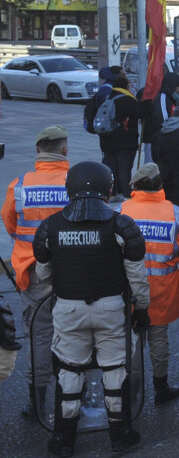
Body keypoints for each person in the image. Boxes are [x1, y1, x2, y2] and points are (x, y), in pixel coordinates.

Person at [33, 161, 151, 454]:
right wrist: (143, 309)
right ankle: (120, 433)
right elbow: (137, 276)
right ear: (107, 190)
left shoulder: (51, 227)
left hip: (68, 307)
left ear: (69, 188)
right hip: (111, 308)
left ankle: (63, 438)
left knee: (70, 372)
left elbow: (44, 276)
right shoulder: (120, 225)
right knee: (114, 370)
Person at [2, 126, 70, 419]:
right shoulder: (74, 183)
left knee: (39, 336)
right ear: (64, 150)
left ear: (38, 151)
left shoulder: (19, 185)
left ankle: (37, 399)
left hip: (32, 275)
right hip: (70, 273)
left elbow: (10, 224)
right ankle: (71, 396)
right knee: (73, 336)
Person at [120, 163, 179, 404]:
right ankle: (161, 387)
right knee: (159, 339)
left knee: (133, 340)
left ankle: (131, 395)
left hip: (130, 290)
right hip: (162, 290)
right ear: (160, 186)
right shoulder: (173, 212)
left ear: (135, 186)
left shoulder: (122, 210)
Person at [97, 73, 141, 200]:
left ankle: (112, 192)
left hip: (106, 139)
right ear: (126, 86)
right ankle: (126, 194)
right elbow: (139, 113)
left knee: (111, 168)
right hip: (125, 141)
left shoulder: (106, 97)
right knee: (124, 169)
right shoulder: (128, 99)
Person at [139, 71, 179, 164]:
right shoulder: (163, 97)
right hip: (157, 138)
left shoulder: (172, 98)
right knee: (153, 168)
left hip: (164, 138)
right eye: (178, 86)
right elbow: (164, 119)